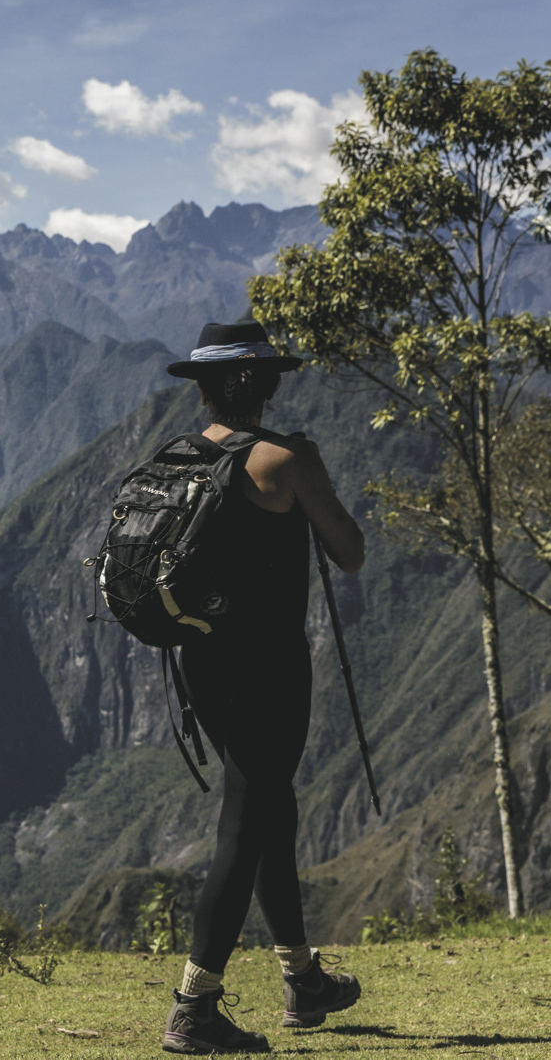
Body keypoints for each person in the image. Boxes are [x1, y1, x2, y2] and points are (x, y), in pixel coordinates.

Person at [158, 320, 367, 1056]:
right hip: (270, 670)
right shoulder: (288, 459)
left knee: (269, 802)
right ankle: (194, 1006)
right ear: (260, 384)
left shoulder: (178, 458)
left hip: (202, 666)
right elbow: (351, 553)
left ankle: (301, 976)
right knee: (246, 824)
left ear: (209, 386)